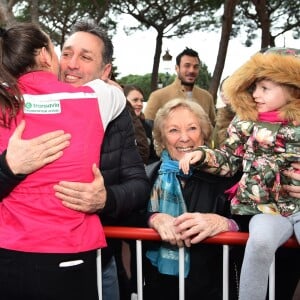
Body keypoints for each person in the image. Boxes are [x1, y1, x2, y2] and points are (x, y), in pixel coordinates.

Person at [0, 20, 150, 300]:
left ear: (105, 70)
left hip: (88, 254)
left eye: (85, 57)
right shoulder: (98, 99)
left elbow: (138, 185)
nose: (70, 64)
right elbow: (114, 94)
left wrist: (106, 198)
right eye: (66, 53)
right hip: (57, 250)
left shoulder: (6, 102)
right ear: (46, 55)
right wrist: (8, 168)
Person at [179, 47, 300, 300]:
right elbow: (230, 158)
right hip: (265, 209)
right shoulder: (244, 122)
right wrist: (203, 155)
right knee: (259, 243)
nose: (255, 94)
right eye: (254, 87)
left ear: (292, 88)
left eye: (265, 88)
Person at [139, 98, 242, 300]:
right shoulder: (149, 174)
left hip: (212, 288)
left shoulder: (227, 175)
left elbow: (251, 218)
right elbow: (128, 215)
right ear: (162, 138)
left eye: (192, 128)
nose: (184, 138)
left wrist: (225, 223)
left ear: (204, 134)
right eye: (174, 130)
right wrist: (153, 218)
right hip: (158, 287)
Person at [144, 47, 216, 125]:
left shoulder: (207, 97)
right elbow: (146, 130)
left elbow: (212, 129)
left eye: (195, 67)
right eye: (187, 66)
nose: (191, 70)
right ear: (177, 68)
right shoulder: (157, 96)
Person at [124, 84, 158, 164]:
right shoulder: (117, 126)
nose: (140, 104)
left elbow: (154, 156)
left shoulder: (147, 126)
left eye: (142, 100)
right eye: (135, 100)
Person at [212, 76, 235, 148]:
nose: (222, 93)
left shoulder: (245, 115)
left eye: (226, 89)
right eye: (221, 90)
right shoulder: (221, 115)